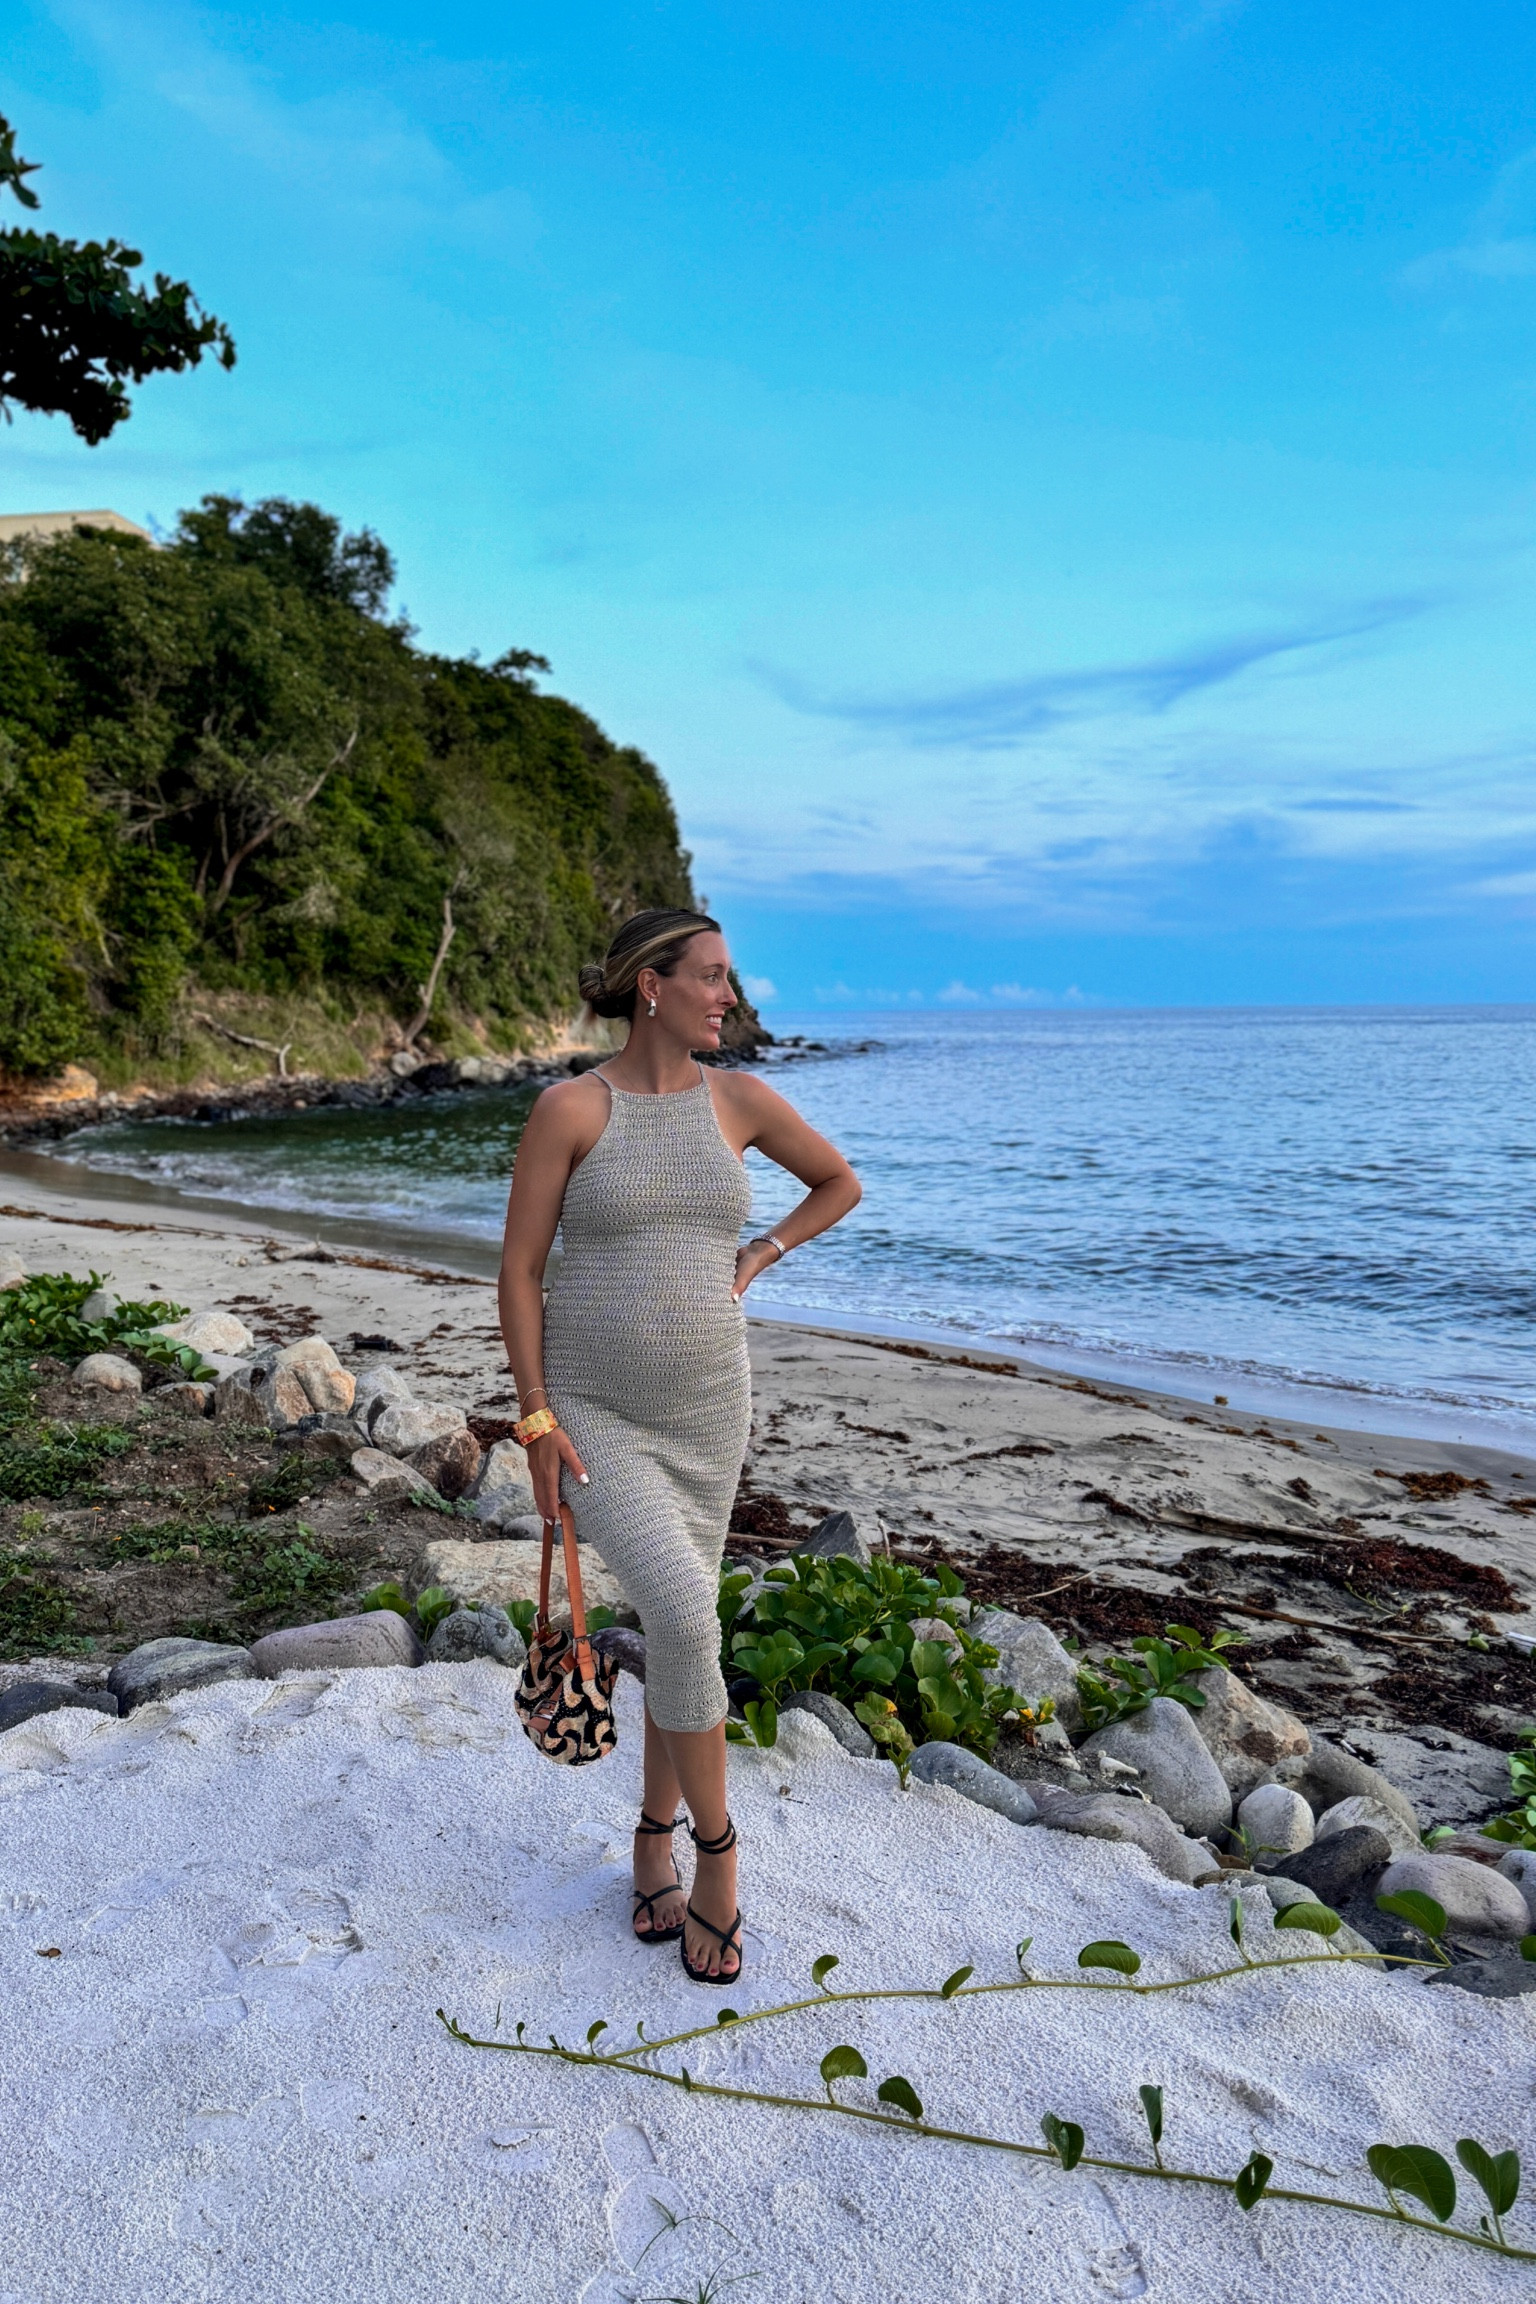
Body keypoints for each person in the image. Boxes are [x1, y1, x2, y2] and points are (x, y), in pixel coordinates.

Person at [496, 909, 861, 1984]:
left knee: (676, 1620)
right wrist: (535, 1419)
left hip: (711, 1409)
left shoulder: (738, 1099)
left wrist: (764, 1252)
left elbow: (839, 1182)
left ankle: (650, 1841)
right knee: (688, 1613)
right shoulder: (571, 1108)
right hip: (596, 1410)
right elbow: (519, 1271)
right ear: (650, 984)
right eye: (711, 979)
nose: (730, 1000)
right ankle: (717, 1856)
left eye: (732, 981)